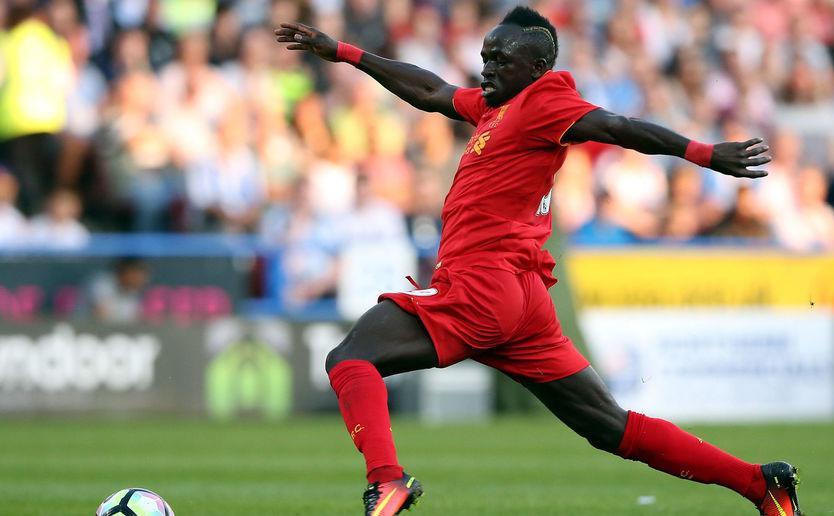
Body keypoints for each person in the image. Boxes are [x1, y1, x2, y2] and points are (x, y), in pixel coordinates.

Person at [276, 7, 799, 516]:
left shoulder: (546, 101)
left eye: (502, 59)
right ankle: (760, 485)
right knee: (608, 426)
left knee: (350, 358)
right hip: (520, 298)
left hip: (482, 285)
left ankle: (386, 482)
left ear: (536, 69)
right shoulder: (493, 108)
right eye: (486, 56)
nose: (489, 68)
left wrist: (704, 154)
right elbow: (431, 91)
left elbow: (616, 126)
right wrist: (345, 52)